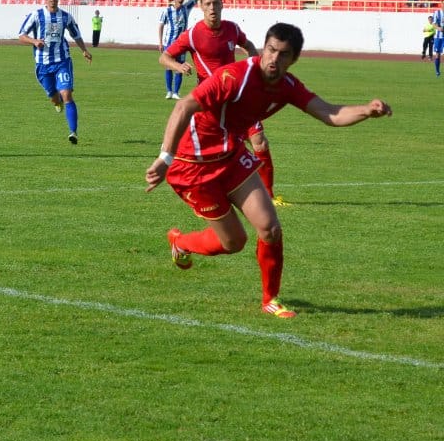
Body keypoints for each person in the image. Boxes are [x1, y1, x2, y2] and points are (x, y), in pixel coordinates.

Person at [145, 22, 392, 318]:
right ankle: (180, 242)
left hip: (231, 157)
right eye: (271, 50)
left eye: (283, 54)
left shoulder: (288, 86)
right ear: (263, 47)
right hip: (192, 165)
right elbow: (184, 107)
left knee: (270, 229)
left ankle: (270, 299)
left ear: (294, 59)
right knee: (234, 242)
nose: (274, 59)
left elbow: (330, 113)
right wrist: (165, 157)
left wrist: (368, 110)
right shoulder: (232, 77)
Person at [160, 0, 287, 206]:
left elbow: (248, 46)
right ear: (201, 7)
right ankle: (212, 191)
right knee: (218, 151)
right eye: (207, 4)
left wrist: (255, 69)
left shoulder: (232, 29)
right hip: (211, 103)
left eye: (216, 4)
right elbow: (164, 57)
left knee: (260, 142)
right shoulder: (193, 33)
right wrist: (178, 65)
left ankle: (270, 196)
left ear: (222, 5)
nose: (212, 8)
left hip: (239, 97)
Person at [18, 0, 92, 144]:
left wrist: (84, 50)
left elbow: (76, 34)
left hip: (62, 61)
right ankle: (56, 101)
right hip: (42, 65)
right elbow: (21, 35)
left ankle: (73, 132)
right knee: (54, 98)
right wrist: (34, 40)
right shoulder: (36, 15)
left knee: (67, 94)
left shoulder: (65, 17)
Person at [158, 0, 201, 99]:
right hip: (169, 43)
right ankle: (169, 91)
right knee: (168, 66)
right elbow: (161, 25)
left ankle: (176, 92)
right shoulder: (167, 11)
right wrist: (160, 42)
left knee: (180, 66)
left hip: (181, 44)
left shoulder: (186, 8)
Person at [432, 0, 444, 77]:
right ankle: (437, 71)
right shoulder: (437, 13)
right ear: (441, 3)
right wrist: (439, 28)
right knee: (437, 54)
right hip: (439, 36)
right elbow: (434, 24)